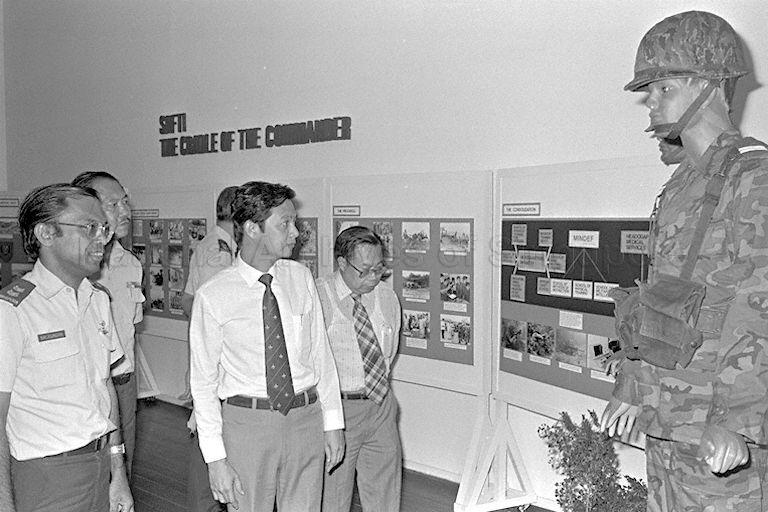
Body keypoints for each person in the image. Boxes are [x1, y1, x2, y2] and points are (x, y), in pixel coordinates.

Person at [599, 11, 768, 511]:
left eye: (663, 86)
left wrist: (735, 420)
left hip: (718, 429)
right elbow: (657, 302)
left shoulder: (752, 178)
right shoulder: (683, 185)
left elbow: (757, 306)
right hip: (669, 419)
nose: (650, 99)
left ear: (710, 85)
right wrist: (632, 386)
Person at [190, 181, 345, 511]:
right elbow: (202, 384)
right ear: (251, 228)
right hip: (247, 425)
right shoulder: (213, 295)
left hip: (305, 418)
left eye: (295, 223)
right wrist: (215, 458)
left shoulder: (300, 276)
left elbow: (321, 354)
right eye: (285, 223)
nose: (296, 233)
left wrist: (333, 423)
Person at [0, 184, 133, 512]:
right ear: (46, 233)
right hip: (46, 477)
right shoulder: (13, 311)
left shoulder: (97, 299)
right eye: (90, 227)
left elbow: (105, 387)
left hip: (101, 465)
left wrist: (118, 472)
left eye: (103, 228)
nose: (102, 237)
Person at [316, 226, 402, 512]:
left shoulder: (387, 298)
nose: (373, 277)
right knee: (333, 497)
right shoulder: (317, 297)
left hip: (380, 405)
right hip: (338, 410)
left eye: (379, 268)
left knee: (384, 495)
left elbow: (389, 352)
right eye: (364, 270)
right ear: (342, 263)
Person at [72, 170, 145, 480]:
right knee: (86, 473)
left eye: (125, 202)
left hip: (123, 383)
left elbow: (131, 330)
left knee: (121, 471)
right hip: (84, 386)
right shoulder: (74, 266)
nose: (125, 212)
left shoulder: (131, 263)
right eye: (114, 204)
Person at [181, 185, 238, 512]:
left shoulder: (208, 245)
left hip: (210, 355)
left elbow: (190, 300)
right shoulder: (220, 252)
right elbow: (218, 311)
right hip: (218, 360)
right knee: (211, 437)